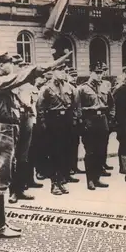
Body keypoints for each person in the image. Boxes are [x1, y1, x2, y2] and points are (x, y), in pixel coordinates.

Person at [0, 50, 72, 238]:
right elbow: (25, 75)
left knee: (4, 175)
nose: (12, 66)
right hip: (2, 130)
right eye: (9, 63)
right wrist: (51, 64)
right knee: (0, 176)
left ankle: (1, 223)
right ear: (0, 65)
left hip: (7, 129)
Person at [36, 63, 79, 196]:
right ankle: (54, 183)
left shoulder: (69, 87)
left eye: (64, 70)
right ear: (53, 72)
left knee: (65, 153)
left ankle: (61, 180)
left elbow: (74, 105)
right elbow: (40, 107)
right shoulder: (46, 88)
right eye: (59, 70)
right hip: (52, 122)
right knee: (54, 154)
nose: (62, 73)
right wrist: (43, 123)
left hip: (66, 121)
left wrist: (74, 120)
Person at [8, 54, 36, 204]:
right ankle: (12, 191)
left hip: (27, 118)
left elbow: (31, 103)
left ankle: (21, 189)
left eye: (21, 65)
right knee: (12, 157)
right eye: (17, 64)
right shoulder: (8, 83)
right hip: (15, 118)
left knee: (23, 156)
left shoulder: (26, 84)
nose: (20, 67)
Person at [78, 63, 110, 191]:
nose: (99, 75)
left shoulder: (104, 86)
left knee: (101, 152)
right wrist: (83, 122)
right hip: (89, 121)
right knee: (90, 152)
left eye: (101, 72)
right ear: (90, 72)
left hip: (102, 121)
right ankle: (90, 180)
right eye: (97, 72)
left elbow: (111, 103)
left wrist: (110, 118)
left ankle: (97, 178)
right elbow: (78, 108)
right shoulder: (82, 88)